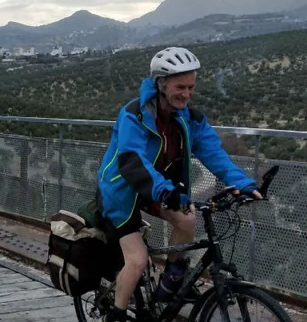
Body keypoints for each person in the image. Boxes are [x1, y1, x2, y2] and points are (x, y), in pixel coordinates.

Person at [96, 46, 263, 320]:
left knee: (187, 221)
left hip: (158, 189)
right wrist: (166, 191)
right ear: (160, 83)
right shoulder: (134, 115)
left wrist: (242, 183)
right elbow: (132, 160)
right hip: (121, 191)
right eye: (180, 87)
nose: (186, 94)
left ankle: (169, 286)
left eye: (191, 87)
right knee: (137, 260)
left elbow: (213, 152)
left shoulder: (189, 118)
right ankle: (117, 313)